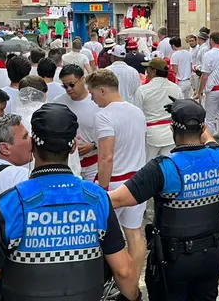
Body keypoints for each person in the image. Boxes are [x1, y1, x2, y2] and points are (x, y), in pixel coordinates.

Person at [0, 103, 142, 301]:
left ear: (32, 146)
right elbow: (124, 271)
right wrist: (135, 297)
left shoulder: (10, 203)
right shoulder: (97, 199)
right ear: (73, 148)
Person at [108, 97, 219, 300]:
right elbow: (209, 138)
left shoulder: (163, 168)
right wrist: (192, 109)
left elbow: (116, 200)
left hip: (174, 261)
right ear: (202, 129)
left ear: (171, 129)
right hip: (212, 254)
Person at [84, 69, 149, 282]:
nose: (92, 99)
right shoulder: (136, 111)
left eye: (93, 94)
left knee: (99, 236)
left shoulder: (104, 116)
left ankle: (108, 280)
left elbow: (106, 157)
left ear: (102, 90)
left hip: (114, 183)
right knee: (134, 233)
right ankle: (133, 281)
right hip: (138, 180)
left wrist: (101, 190)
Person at [54, 64, 102, 181]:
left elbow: (110, 133)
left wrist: (93, 145)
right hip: (67, 165)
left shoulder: (97, 102)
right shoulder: (58, 102)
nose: (69, 89)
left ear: (82, 79)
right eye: (64, 86)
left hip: (93, 165)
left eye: (71, 84)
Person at [134, 58, 182, 159]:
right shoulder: (176, 88)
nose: (147, 72)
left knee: (148, 166)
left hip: (151, 133)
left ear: (154, 71)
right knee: (169, 166)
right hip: (170, 133)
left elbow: (137, 115)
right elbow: (180, 110)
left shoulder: (143, 90)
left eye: (148, 69)